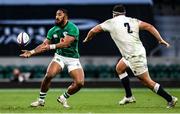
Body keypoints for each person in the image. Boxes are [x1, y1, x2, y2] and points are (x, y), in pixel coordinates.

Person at [83, 4, 178, 108]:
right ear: (124, 13)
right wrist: (160, 39)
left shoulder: (110, 22)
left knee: (147, 82)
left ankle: (170, 99)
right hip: (135, 52)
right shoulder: (133, 20)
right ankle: (129, 96)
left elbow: (93, 30)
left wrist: (88, 38)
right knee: (119, 68)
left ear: (113, 14)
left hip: (134, 56)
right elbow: (149, 26)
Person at [20, 8, 84, 108]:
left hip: (73, 59)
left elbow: (66, 44)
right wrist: (31, 52)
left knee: (80, 83)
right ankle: (41, 101)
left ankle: (63, 97)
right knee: (49, 75)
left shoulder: (73, 28)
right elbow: (44, 45)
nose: (56, 17)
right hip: (60, 57)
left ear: (65, 16)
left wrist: (50, 46)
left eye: (59, 15)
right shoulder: (53, 30)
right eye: (56, 15)